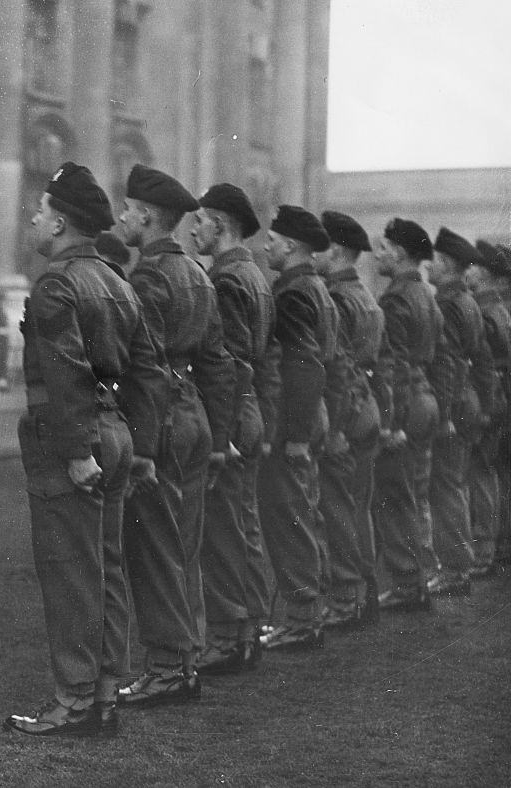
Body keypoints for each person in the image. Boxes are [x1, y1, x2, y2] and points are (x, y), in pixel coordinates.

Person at [4, 161, 167, 737]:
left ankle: (72, 701)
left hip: (73, 441)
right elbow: (149, 372)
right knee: (108, 568)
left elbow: (66, 373)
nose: (33, 219)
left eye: (40, 211)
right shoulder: (119, 282)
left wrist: (76, 452)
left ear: (60, 224)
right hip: (117, 434)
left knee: (71, 571)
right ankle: (103, 696)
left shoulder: (57, 284)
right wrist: (142, 448)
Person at [115, 164, 234, 708]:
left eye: (128, 211)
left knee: (155, 547)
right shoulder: (199, 275)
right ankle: (185, 660)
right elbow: (219, 363)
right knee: (184, 545)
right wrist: (219, 437)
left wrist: (141, 446)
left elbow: (144, 367)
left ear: (146, 216)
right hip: (195, 417)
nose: (122, 219)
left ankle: (166, 666)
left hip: (160, 417)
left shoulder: (147, 277)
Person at [191, 183, 278, 673]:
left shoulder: (225, 279)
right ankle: (247, 632)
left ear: (220, 224)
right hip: (248, 409)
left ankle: (227, 637)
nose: (194, 230)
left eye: (200, 221)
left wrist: (220, 436)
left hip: (227, 410)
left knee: (223, 530)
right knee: (244, 524)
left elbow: (228, 364)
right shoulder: (256, 275)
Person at [257, 205, 339, 652]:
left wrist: (295, 436)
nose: (266, 245)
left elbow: (303, 365)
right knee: (304, 512)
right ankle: (307, 614)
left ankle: (302, 620)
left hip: (295, 418)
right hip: (311, 414)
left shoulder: (293, 292)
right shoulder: (317, 287)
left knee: (289, 517)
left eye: (272, 240)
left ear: (289, 246)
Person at [316, 211, 388, 628]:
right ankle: (365, 593)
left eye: (320, 247)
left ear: (337, 251)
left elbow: (339, 369)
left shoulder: (337, 300)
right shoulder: (366, 297)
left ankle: (346, 599)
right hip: (367, 406)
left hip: (346, 410)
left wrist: (336, 427)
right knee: (358, 506)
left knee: (338, 506)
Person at [373, 218, 443, 612]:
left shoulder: (396, 298)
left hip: (407, 403)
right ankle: (420, 578)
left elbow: (395, 366)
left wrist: (392, 422)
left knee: (396, 496)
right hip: (426, 396)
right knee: (416, 493)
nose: (378, 255)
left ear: (399, 252)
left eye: (383, 248)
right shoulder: (427, 295)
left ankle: (406, 583)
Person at [425, 228, 494, 597]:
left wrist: (446, 414)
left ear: (446, 263)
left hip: (452, 403)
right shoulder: (468, 301)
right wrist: (484, 405)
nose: (429, 268)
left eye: (434, 262)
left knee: (445, 486)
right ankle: (459, 564)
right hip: (469, 400)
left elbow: (448, 363)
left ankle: (454, 569)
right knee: (456, 484)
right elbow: (483, 361)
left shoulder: (448, 303)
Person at [466, 241, 511, 576]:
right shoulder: (499, 309)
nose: (466, 271)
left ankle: (485, 550)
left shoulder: (485, 313)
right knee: (494, 472)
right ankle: (497, 546)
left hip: (489, 396)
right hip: (500, 395)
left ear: (483, 273)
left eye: (471, 266)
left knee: (482, 471)